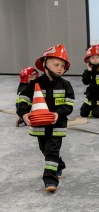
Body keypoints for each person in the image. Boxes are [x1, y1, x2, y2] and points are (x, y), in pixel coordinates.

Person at [16, 44, 75, 192]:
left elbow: (69, 104)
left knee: (52, 151)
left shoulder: (66, 85)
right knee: (44, 149)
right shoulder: (35, 84)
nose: (60, 68)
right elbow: (22, 99)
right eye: (56, 64)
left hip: (57, 125)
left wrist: (58, 113)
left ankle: (50, 181)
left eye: (63, 65)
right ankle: (59, 165)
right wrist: (23, 114)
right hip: (39, 125)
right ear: (44, 64)